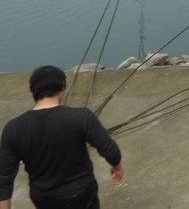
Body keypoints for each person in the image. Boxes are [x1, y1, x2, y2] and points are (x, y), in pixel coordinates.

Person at [0, 65, 123, 209]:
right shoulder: (82, 117)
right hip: (81, 192)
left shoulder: (13, 128)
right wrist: (117, 166)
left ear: (32, 90)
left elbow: (4, 176)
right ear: (62, 87)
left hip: (44, 197)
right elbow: (108, 148)